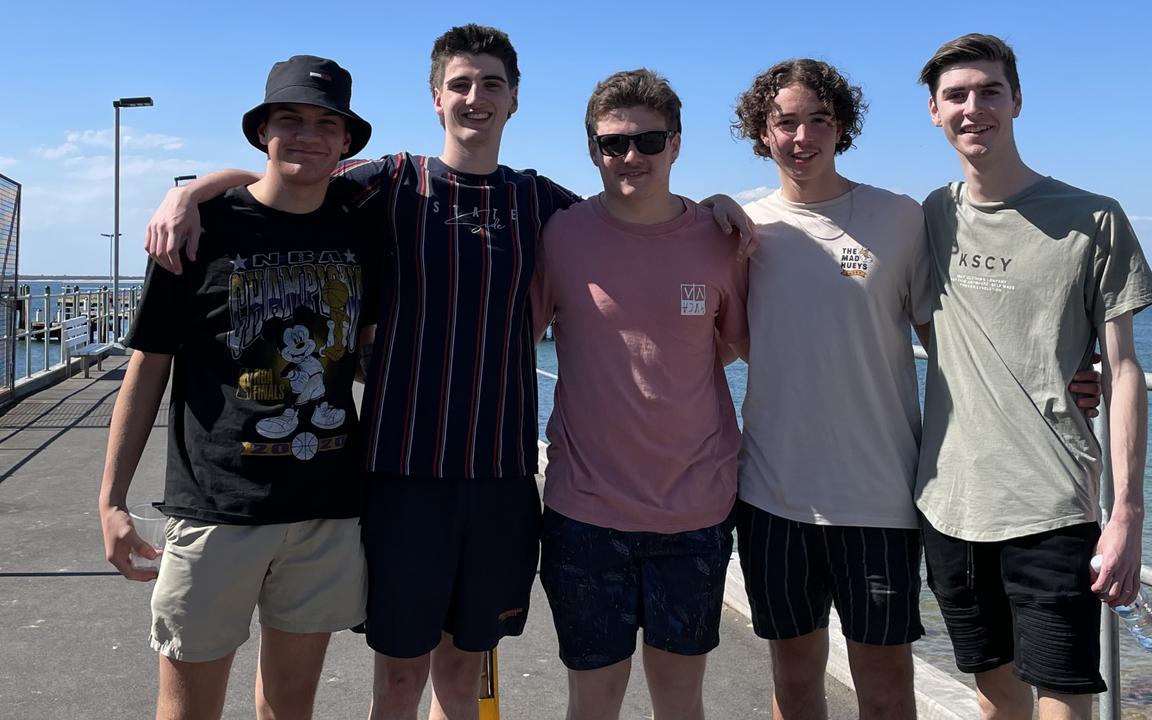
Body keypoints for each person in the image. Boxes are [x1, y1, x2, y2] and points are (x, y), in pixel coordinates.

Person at [141, 25, 752, 720]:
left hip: (500, 479)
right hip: (402, 476)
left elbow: (637, 217)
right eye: (460, 84)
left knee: (464, 676)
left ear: (515, 100)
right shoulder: (386, 183)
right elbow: (283, 176)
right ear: (436, 99)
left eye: (491, 83)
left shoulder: (544, 206)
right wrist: (190, 191)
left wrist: (714, 208)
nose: (475, 97)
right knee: (399, 682)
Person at [729, 58, 1106, 720]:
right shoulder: (738, 225)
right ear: (762, 131)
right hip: (772, 496)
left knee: (884, 686)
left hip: (881, 497)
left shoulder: (900, 219)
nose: (802, 136)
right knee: (793, 676)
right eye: (785, 122)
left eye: (820, 119)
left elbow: (958, 331)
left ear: (841, 127)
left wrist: (1057, 374)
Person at [97, 55, 378, 720]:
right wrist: (111, 501)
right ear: (262, 131)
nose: (308, 134)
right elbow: (147, 367)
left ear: (345, 141)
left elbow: (368, 349)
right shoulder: (201, 229)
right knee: (187, 708)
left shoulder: (362, 225)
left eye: (325, 122)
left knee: (289, 707)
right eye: (290, 119)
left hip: (324, 511)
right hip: (216, 509)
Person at [914, 34, 1152, 720]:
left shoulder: (1093, 217)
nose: (974, 108)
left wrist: (1127, 518)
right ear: (934, 112)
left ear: (1016, 99)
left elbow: (1125, 369)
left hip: (1054, 504)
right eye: (956, 96)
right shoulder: (930, 217)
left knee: (1063, 697)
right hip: (949, 504)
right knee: (995, 697)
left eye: (989, 91)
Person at [529, 69, 748, 720]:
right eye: (614, 143)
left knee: (680, 704)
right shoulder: (560, 235)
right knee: (592, 704)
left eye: (649, 142)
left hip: (695, 514)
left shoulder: (720, 237)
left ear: (676, 145)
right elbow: (514, 335)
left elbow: (734, 342)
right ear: (593, 149)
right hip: (585, 514)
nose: (631, 157)